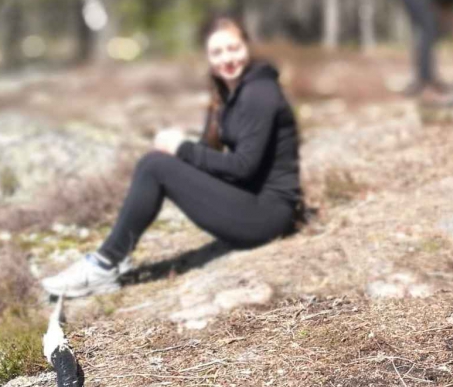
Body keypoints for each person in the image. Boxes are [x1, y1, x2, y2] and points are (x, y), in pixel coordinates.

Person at [40, 16, 302, 298]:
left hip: (268, 215)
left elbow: (243, 167)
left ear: (247, 46)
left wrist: (181, 149)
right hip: (250, 201)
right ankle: (111, 258)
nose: (227, 58)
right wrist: (181, 151)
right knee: (157, 163)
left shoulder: (259, 92)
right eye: (217, 52)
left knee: (154, 166)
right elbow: (210, 155)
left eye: (234, 48)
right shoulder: (227, 93)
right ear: (207, 56)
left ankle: (104, 265)